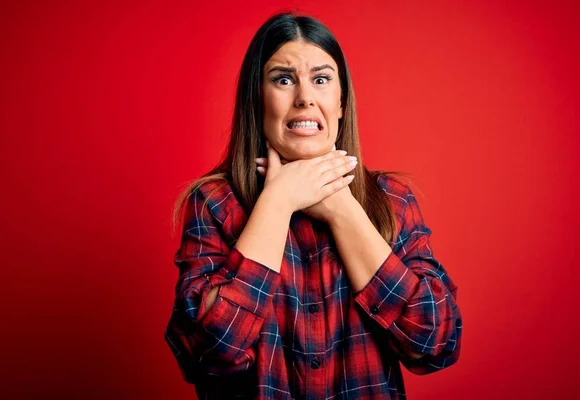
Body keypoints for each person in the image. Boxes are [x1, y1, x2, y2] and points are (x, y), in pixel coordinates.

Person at [164, 11, 462, 400]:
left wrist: (341, 209)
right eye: (283, 79)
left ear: (340, 103)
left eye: (321, 79)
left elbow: (435, 343)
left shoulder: (393, 201)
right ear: (257, 98)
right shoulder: (214, 204)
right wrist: (277, 201)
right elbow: (210, 351)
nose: (304, 97)